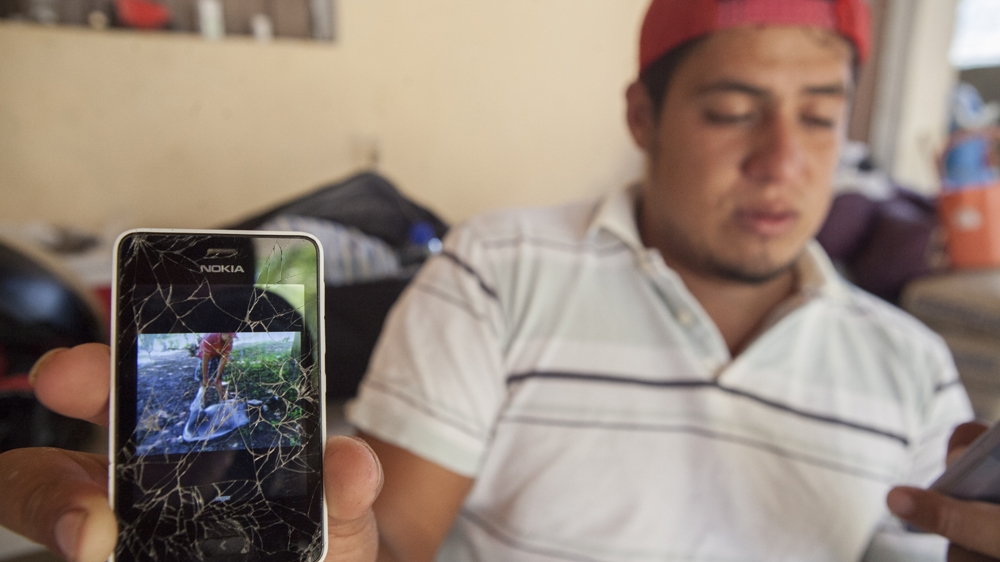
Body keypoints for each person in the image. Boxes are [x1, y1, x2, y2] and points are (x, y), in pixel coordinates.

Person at [2, 1, 1000, 561]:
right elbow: (386, 537)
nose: (784, 161)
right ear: (642, 119)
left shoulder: (910, 363)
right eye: (734, 111)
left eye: (820, 117)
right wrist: (329, 543)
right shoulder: (497, 271)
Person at [196, 332, 235, 406]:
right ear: (223, 334)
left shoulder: (229, 343)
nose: (231, 340)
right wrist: (205, 377)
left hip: (217, 355)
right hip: (204, 354)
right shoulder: (210, 338)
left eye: (232, 338)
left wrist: (217, 377)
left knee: (218, 380)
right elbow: (205, 360)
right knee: (203, 381)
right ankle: (203, 403)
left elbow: (223, 361)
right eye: (229, 337)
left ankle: (222, 401)